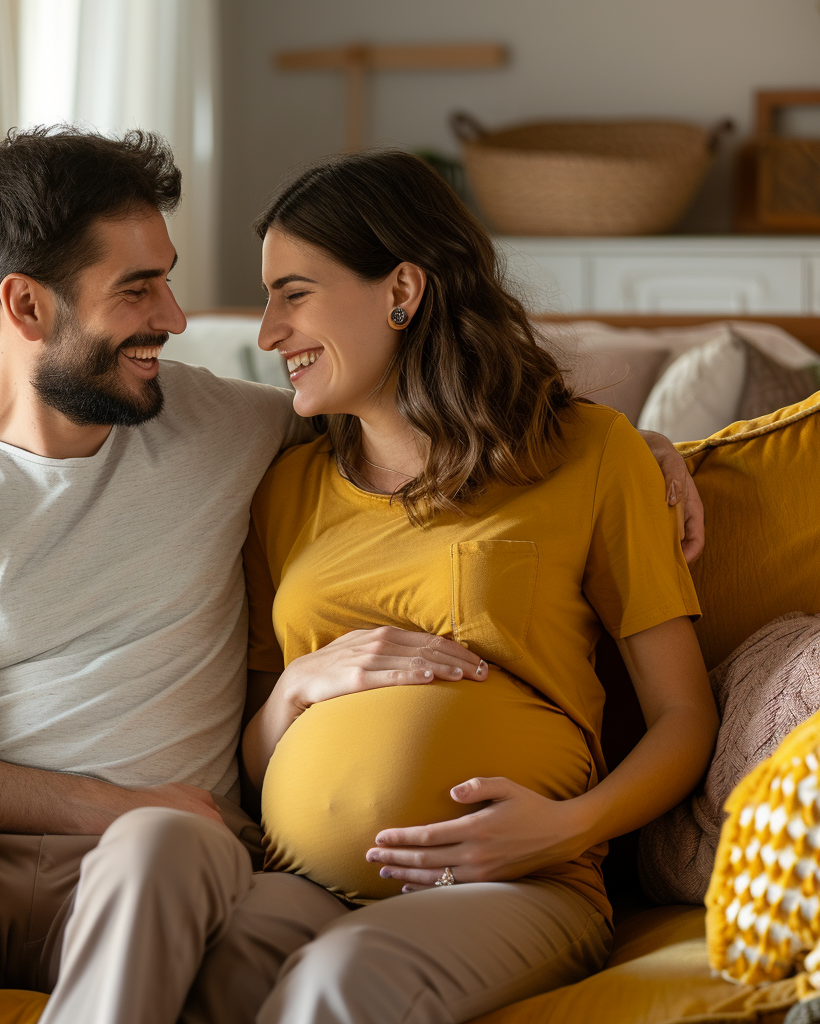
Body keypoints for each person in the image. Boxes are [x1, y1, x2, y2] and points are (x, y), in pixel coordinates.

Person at [0, 128, 703, 1024]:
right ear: (27, 307)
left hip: (164, 867)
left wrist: (653, 446)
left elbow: (428, 415)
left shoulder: (219, 424)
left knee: (169, 847)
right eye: (138, 287)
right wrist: (125, 792)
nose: (181, 318)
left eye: (170, 276)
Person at [232, 150, 720, 1023]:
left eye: (293, 293)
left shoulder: (591, 455)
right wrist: (297, 691)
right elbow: (255, 752)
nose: (268, 332)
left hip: (519, 883)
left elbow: (685, 717)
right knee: (208, 958)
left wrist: (568, 828)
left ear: (403, 290)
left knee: (337, 986)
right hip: (300, 884)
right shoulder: (282, 491)